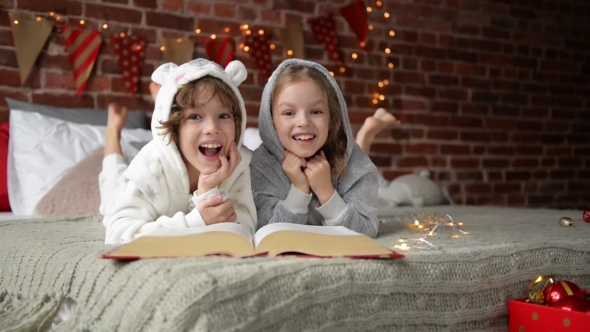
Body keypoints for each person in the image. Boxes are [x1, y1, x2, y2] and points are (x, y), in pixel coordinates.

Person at [101, 59, 257, 244]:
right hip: (130, 184)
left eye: (223, 115)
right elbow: (118, 235)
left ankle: (165, 101)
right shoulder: (151, 165)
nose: (212, 128)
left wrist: (209, 192)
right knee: (113, 179)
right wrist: (195, 222)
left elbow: (245, 226)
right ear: (175, 129)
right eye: (195, 116)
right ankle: (113, 132)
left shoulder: (240, 165)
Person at [250, 59, 382, 238]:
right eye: (289, 113)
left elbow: (366, 232)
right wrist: (298, 190)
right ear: (271, 120)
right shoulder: (261, 165)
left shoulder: (356, 163)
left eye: (316, 112)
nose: (303, 122)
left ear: (332, 118)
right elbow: (266, 234)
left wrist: (326, 192)